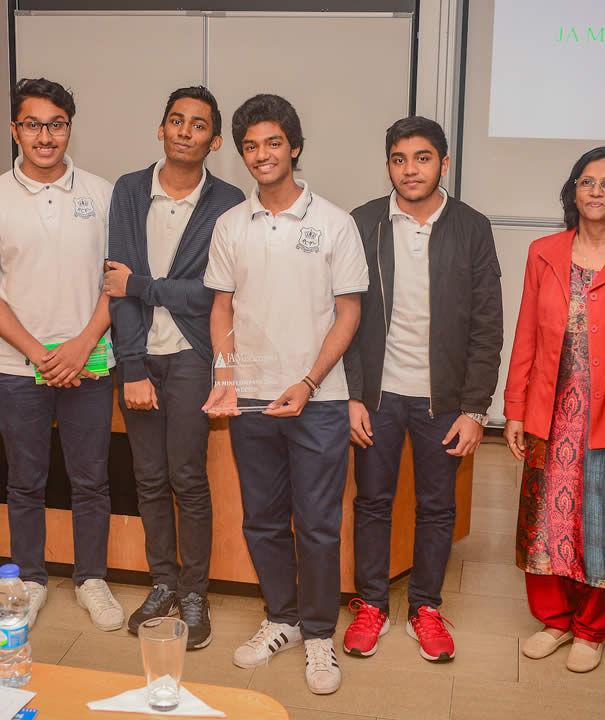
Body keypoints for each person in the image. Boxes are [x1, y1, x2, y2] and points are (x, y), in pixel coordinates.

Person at [203, 93, 368, 695]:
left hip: (318, 400)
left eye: (274, 143)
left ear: (294, 147)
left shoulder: (334, 222)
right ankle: (282, 618)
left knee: (318, 524)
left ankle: (320, 633)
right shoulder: (231, 225)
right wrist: (225, 375)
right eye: (250, 146)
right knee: (264, 520)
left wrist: (308, 382)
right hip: (249, 399)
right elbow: (222, 305)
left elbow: (347, 314)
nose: (262, 154)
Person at [0, 78, 123, 632]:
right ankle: (30, 578)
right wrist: (39, 354)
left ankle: (91, 578)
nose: (45, 135)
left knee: (91, 479)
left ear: (69, 127)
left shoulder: (104, 195)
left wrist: (78, 348)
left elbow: (116, 284)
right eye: (32, 124)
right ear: (15, 130)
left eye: (56, 123)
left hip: (90, 363)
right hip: (16, 368)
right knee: (24, 480)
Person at [342, 116, 502, 663]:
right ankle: (370, 605)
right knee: (373, 502)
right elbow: (342, 314)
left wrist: (477, 408)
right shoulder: (363, 223)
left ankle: (426, 609)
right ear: (388, 163)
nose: (411, 170)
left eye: (423, 158)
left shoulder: (472, 227)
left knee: (437, 507)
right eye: (399, 159)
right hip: (377, 395)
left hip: (445, 400)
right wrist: (352, 394)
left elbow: (487, 323)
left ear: (444, 162)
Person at [503, 147, 605, 673]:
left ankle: (593, 630)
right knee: (546, 519)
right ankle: (554, 619)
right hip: (552, 410)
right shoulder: (543, 251)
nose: (595, 191)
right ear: (574, 190)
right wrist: (516, 408)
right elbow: (526, 332)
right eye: (586, 181)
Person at [105, 86, 245, 649]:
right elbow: (115, 287)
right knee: (149, 478)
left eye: (199, 125)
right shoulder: (129, 190)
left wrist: (144, 287)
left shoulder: (229, 201)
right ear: (160, 129)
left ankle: (195, 591)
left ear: (214, 140)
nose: (186, 131)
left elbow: (217, 291)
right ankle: (162, 583)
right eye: (176, 121)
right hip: (139, 359)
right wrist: (132, 368)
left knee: (187, 478)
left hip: (192, 356)